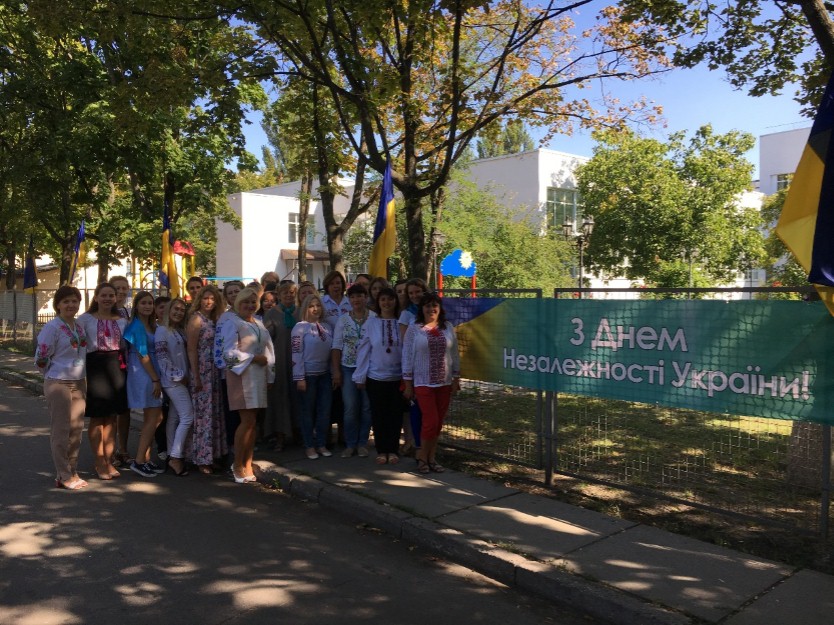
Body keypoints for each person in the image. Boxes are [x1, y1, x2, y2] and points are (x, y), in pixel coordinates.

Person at [36, 285, 89, 490]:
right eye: (66, 301)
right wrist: (52, 374)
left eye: (74, 301)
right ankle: (64, 475)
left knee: (76, 429)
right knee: (61, 430)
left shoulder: (79, 326)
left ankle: (72, 470)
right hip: (58, 382)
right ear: (58, 304)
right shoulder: (52, 327)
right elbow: (41, 357)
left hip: (79, 381)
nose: (71, 305)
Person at [402, 292, 461, 475]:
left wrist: (456, 378)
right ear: (422, 309)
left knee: (438, 423)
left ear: (440, 308)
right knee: (430, 422)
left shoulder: (447, 327)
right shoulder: (414, 328)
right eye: (427, 305)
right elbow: (407, 356)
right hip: (423, 382)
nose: (431, 309)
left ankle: (431, 458)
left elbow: (454, 353)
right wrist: (408, 383)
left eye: (435, 305)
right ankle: (422, 458)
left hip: (444, 382)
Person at [222, 287, 275, 483]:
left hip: (258, 377)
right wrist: (253, 358)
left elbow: (269, 351)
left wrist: (270, 376)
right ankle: (237, 464)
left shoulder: (259, 323)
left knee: (253, 423)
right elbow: (228, 353)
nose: (250, 305)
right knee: (246, 421)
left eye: (253, 302)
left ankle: (247, 463)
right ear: (238, 303)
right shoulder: (233, 323)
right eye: (246, 302)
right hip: (241, 377)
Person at [77, 282, 127, 480]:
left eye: (111, 295)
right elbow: (78, 346)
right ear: (96, 297)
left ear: (116, 298)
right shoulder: (85, 319)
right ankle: (99, 461)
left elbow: (126, 346)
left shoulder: (122, 320)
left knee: (112, 417)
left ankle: (109, 459)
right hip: (95, 367)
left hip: (116, 367)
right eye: (103, 295)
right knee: (98, 417)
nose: (107, 299)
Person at [353, 287, 405, 465]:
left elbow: (406, 349)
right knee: (379, 414)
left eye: (390, 299)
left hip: (397, 376)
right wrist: (360, 375)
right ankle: (382, 450)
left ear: (395, 301)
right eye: (383, 299)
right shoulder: (371, 323)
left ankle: (393, 449)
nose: (386, 303)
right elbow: (363, 350)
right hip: (376, 377)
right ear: (378, 302)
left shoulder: (401, 322)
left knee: (395, 415)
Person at [187, 284, 227, 474]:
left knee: (214, 414)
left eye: (212, 299)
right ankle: (201, 458)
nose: (209, 302)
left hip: (215, 371)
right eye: (205, 298)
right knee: (203, 416)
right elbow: (191, 349)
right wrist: (196, 376)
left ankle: (212, 456)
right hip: (202, 371)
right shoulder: (196, 319)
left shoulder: (214, 319)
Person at [124, 291, 164, 478]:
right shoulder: (137, 326)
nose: (148, 306)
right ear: (136, 306)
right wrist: (155, 379)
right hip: (145, 373)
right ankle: (139, 461)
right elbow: (143, 355)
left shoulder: (152, 325)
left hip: (151, 371)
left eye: (150, 303)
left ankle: (145, 458)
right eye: (144, 303)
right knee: (153, 417)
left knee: (155, 417)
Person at [332, 283, 375, 458]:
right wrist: (336, 371)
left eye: (360, 296)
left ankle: (362, 443)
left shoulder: (374, 318)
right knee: (350, 407)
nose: (356, 300)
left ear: (366, 298)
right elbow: (336, 346)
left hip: (369, 369)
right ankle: (350, 444)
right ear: (349, 300)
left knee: (366, 407)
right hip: (348, 368)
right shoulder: (343, 320)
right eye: (353, 297)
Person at [291, 293, 334, 459]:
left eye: (318, 305)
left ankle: (321, 444)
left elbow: (332, 352)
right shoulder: (300, 328)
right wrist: (300, 377)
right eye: (311, 306)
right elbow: (296, 353)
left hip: (325, 375)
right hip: (308, 376)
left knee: (324, 411)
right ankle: (309, 445)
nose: (315, 309)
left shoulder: (327, 327)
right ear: (305, 308)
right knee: (307, 412)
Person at [155, 298, 192, 476]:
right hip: (174, 381)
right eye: (175, 309)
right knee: (188, 416)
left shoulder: (178, 330)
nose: (178, 312)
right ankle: (176, 456)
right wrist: (179, 376)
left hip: (181, 379)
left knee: (174, 417)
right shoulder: (162, 331)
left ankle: (171, 453)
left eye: (182, 310)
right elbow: (162, 359)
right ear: (169, 310)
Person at [263, 281, 298, 451]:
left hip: (297, 362)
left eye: (291, 292)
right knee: (279, 399)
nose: (289, 295)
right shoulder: (272, 314)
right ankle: (279, 436)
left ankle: (297, 433)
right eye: (285, 292)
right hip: (279, 362)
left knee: (297, 397)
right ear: (279, 295)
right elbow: (265, 340)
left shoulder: (300, 312)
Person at [215, 280, 244, 456]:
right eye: (230, 292)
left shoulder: (250, 315)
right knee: (233, 412)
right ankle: (234, 448)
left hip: (250, 371)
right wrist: (230, 367)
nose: (234, 295)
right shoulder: (225, 318)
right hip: (231, 371)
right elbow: (220, 347)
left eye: (237, 291)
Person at [109, 275, 133, 464]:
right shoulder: (104, 312)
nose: (122, 291)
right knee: (110, 411)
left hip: (126, 364)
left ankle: (122, 449)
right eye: (118, 288)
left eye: (125, 288)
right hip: (109, 365)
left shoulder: (126, 312)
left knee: (124, 410)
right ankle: (108, 452)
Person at [153, 295, 171, 461]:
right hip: (159, 375)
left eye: (168, 307)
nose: (164, 311)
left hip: (174, 377)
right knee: (161, 413)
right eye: (161, 308)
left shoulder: (177, 327)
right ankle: (162, 446)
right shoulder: (154, 328)